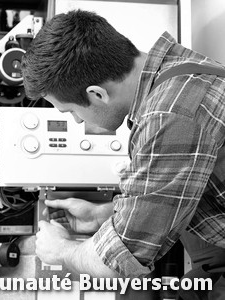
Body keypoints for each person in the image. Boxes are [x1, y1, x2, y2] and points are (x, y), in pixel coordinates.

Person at [21, 9, 225, 298]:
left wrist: (61, 250)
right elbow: (176, 193)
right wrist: (103, 215)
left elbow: (123, 259)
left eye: (70, 111)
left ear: (97, 94)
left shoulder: (170, 115)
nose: (77, 121)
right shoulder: (180, 70)